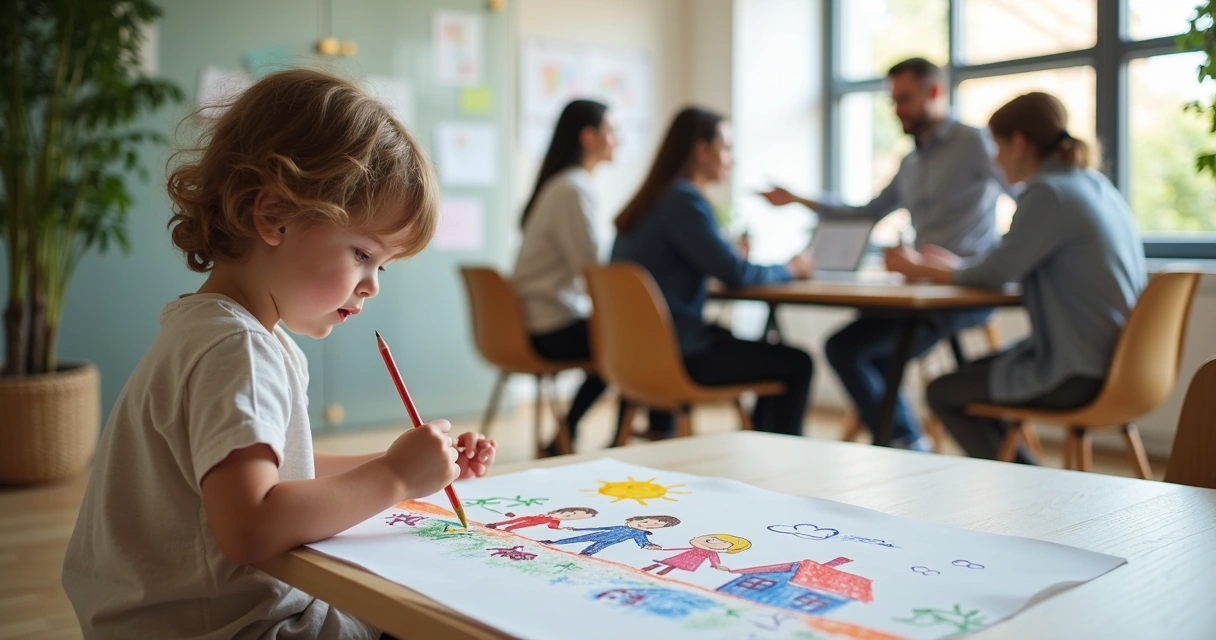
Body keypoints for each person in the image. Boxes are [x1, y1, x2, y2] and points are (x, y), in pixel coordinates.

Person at [61, 69, 497, 640]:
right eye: (363, 253)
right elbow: (251, 525)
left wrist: (409, 463)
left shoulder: (218, 329)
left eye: (383, 265)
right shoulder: (235, 348)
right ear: (273, 217)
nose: (373, 285)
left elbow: (287, 473)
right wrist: (394, 476)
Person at [885, 92, 1146, 463]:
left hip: (1080, 370)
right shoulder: (1094, 185)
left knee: (943, 392)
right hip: (1126, 365)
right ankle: (1030, 476)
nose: (994, 158)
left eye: (996, 146)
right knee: (970, 374)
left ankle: (1029, 486)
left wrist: (925, 267)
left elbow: (995, 273)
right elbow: (1007, 264)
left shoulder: (1047, 193)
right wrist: (950, 266)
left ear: (1019, 143)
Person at [761, 57, 1006, 451]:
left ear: (936, 92)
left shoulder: (975, 143)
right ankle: (905, 438)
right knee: (846, 346)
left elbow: (1022, 198)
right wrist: (797, 199)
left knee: (862, 351)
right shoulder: (910, 163)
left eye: (905, 99)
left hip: (964, 292)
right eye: (893, 101)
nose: (897, 110)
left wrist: (991, 263)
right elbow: (866, 212)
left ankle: (903, 439)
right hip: (918, 294)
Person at [611, 106, 815, 437]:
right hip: (678, 357)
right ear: (701, 150)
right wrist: (792, 267)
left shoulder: (647, 200)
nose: (730, 159)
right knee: (797, 363)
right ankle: (779, 456)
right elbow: (737, 273)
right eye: (727, 148)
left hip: (632, 359)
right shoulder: (683, 200)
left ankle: (762, 442)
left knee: (744, 343)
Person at [512, 100, 618, 455]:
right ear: (588, 137)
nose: (618, 139)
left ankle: (570, 434)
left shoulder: (559, 185)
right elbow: (593, 270)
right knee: (632, 343)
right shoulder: (574, 189)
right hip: (552, 326)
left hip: (537, 320)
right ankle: (576, 435)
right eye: (611, 131)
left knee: (625, 341)